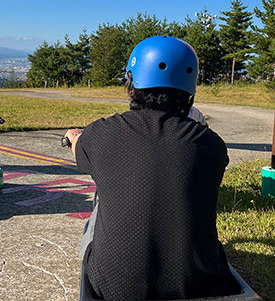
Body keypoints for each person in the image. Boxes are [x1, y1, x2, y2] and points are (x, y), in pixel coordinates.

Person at [64, 36, 241, 301]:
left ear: (132, 84)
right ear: (189, 91)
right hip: (202, 286)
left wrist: (74, 135)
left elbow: (77, 145)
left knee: (100, 205)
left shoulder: (102, 134)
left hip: (115, 289)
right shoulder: (213, 146)